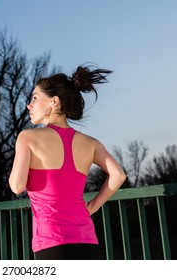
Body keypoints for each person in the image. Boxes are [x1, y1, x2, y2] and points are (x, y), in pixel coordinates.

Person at [9, 64, 126, 260]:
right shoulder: (91, 143)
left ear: (53, 102)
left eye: (35, 98)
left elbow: (16, 185)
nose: (29, 105)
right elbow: (118, 175)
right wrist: (93, 207)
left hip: (51, 243)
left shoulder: (27, 137)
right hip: (87, 240)